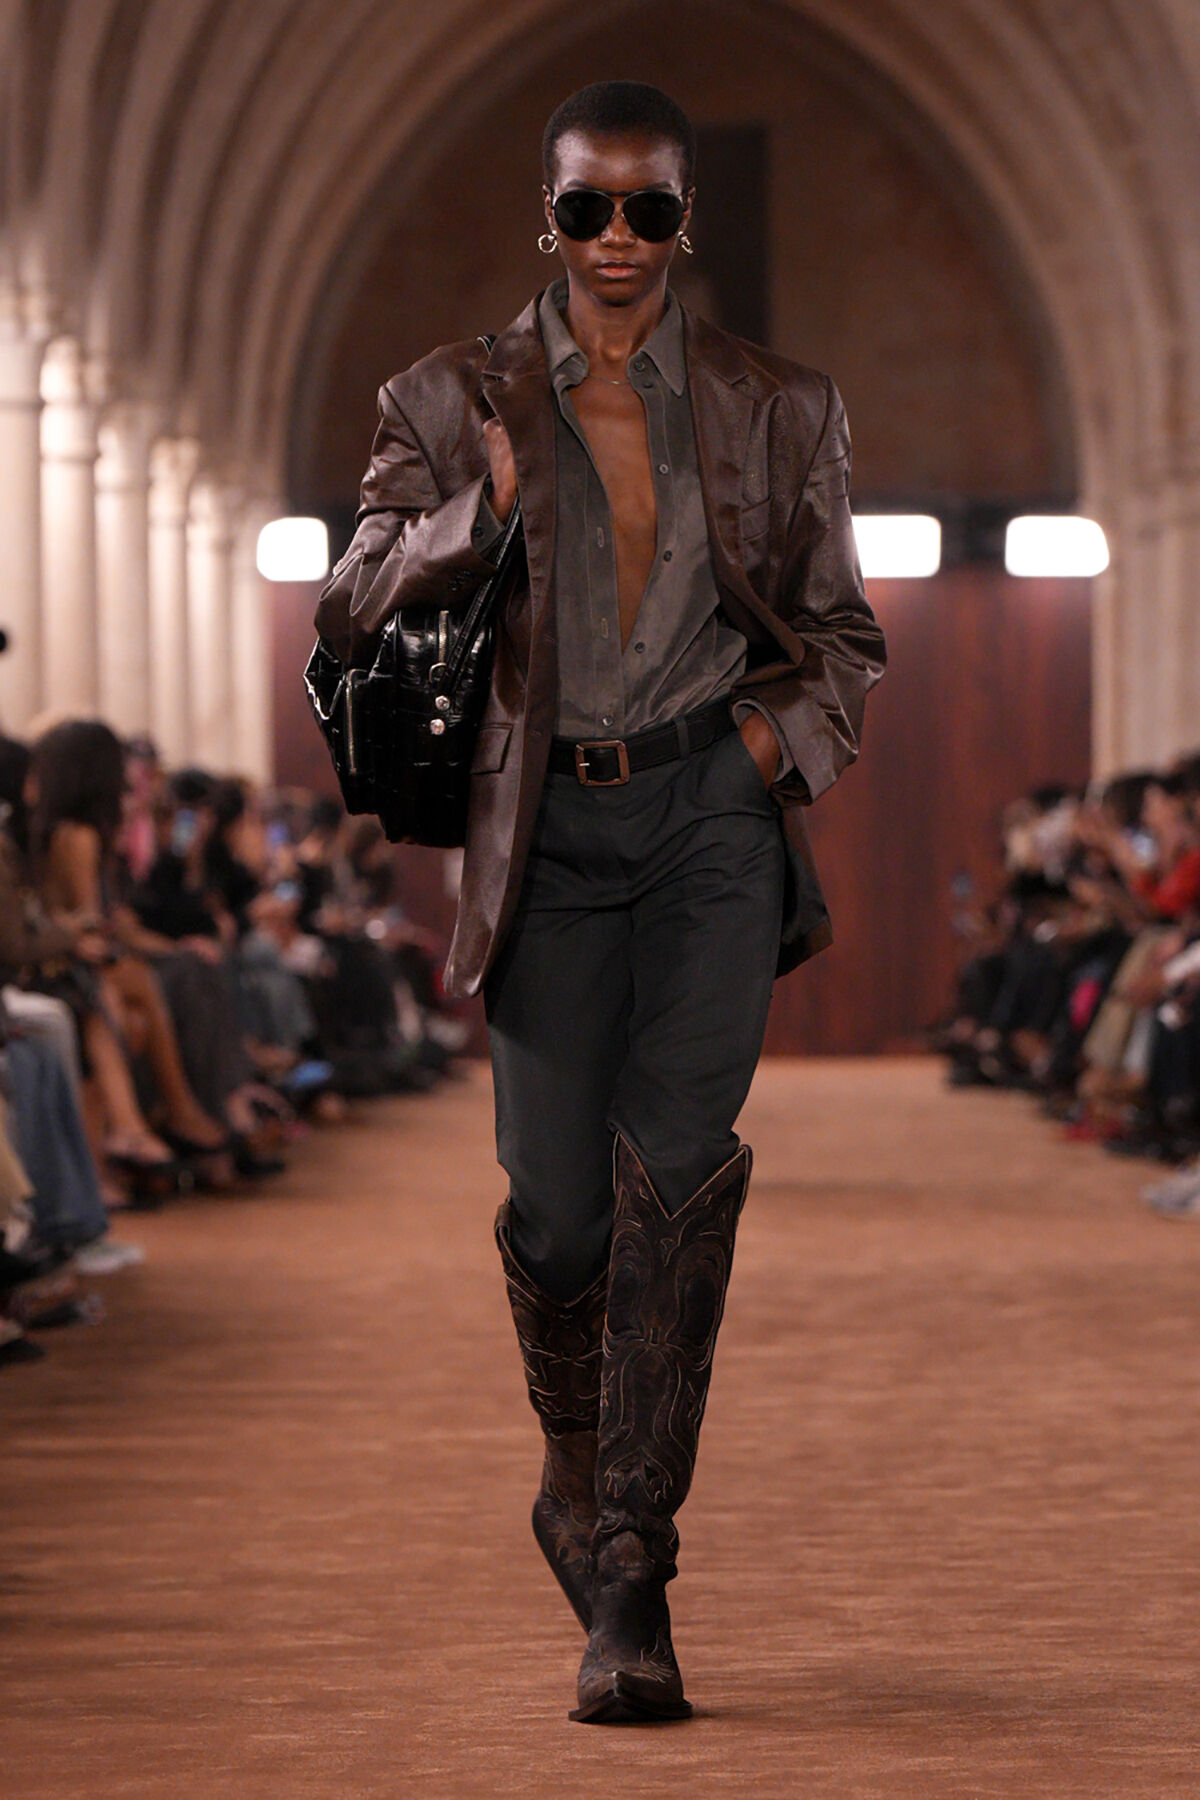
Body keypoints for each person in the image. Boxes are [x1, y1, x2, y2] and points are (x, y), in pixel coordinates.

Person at [315, 80, 885, 1723]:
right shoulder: (444, 399)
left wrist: (768, 750)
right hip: (544, 829)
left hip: (713, 817)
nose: (616, 238)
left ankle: (633, 1564)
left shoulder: (784, 406)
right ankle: (573, 1475)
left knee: (679, 1175)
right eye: (586, 209)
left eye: (648, 209)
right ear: (546, 216)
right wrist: (474, 517)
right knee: (558, 1211)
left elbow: (843, 636)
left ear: (684, 219)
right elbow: (346, 605)